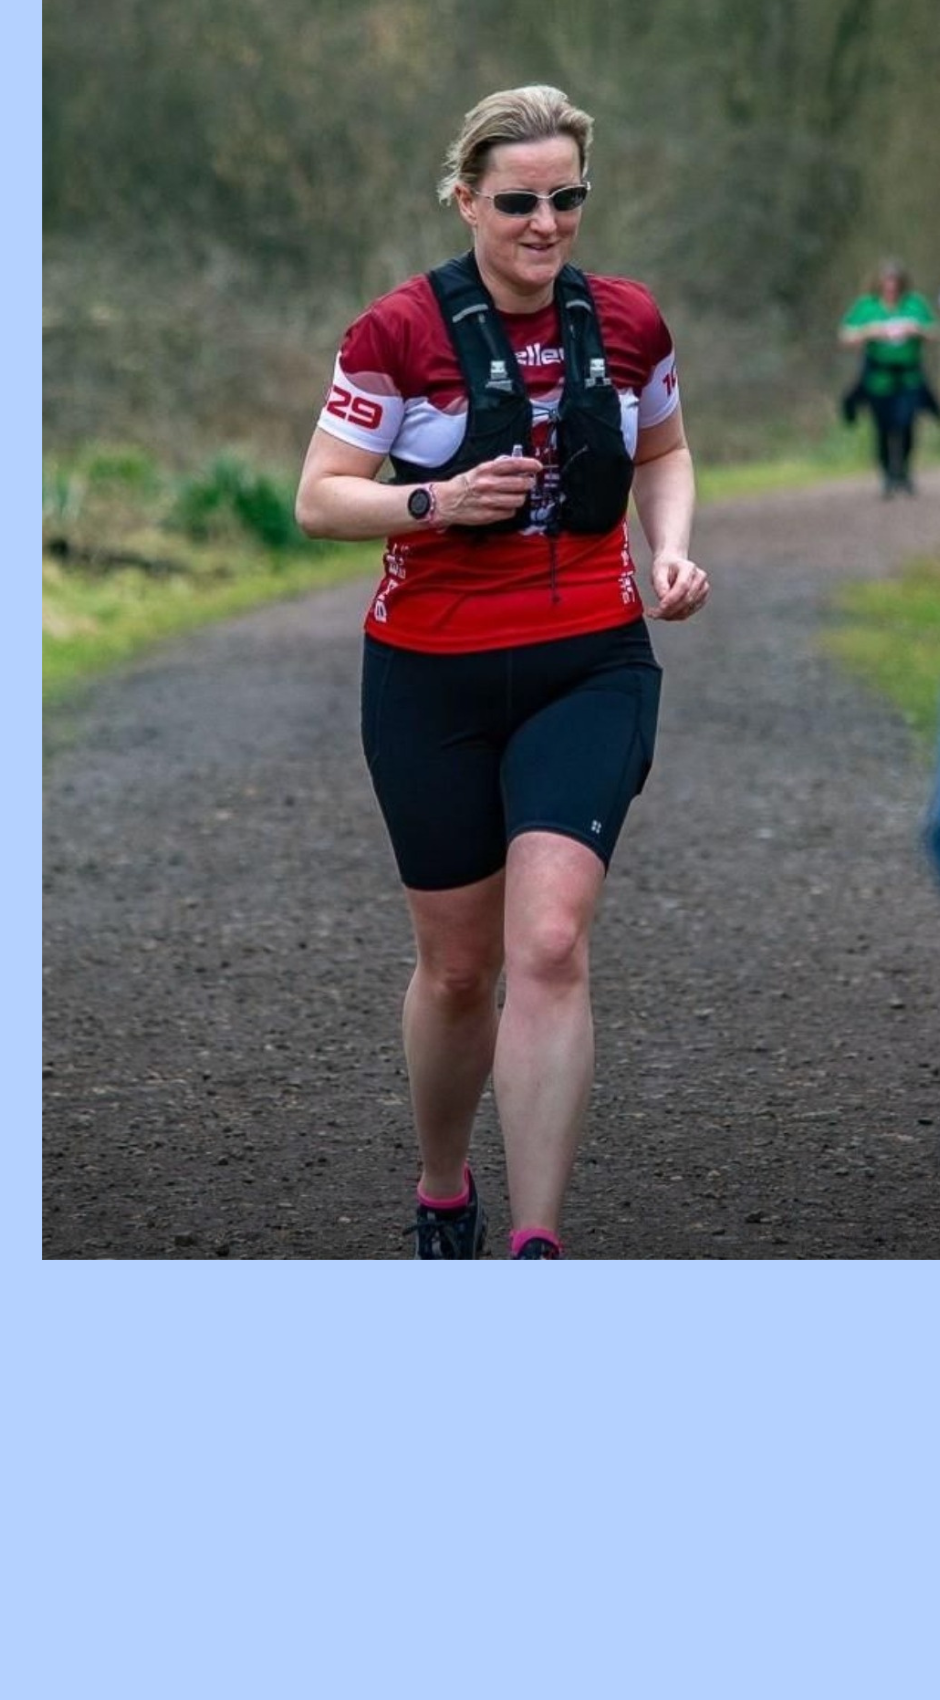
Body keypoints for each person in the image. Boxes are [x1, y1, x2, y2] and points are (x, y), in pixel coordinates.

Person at [293, 84, 711, 1260]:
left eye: (566, 197)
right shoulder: (396, 332)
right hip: (430, 674)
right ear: (467, 198)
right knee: (461, 967)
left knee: (549, 943)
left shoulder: (630, 320)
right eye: (519, 200)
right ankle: (442, 1182)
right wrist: (436, 500)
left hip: (593, 659)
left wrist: (669, 550)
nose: (546, 221)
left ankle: (537, 1242)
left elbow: (666, 449)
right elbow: (319, 496)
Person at [837, 260, 940, 497]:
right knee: (882, 427)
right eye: (886, 282)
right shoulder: (867, 306)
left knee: (906, 423)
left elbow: (935, 331)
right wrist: (869, 331)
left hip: (909, 376)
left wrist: (918, 330)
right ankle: (887, 474)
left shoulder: (914, 304)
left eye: (895, 282)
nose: (891, 287)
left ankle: (903, 470)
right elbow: (845, 335)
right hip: (878, 378)